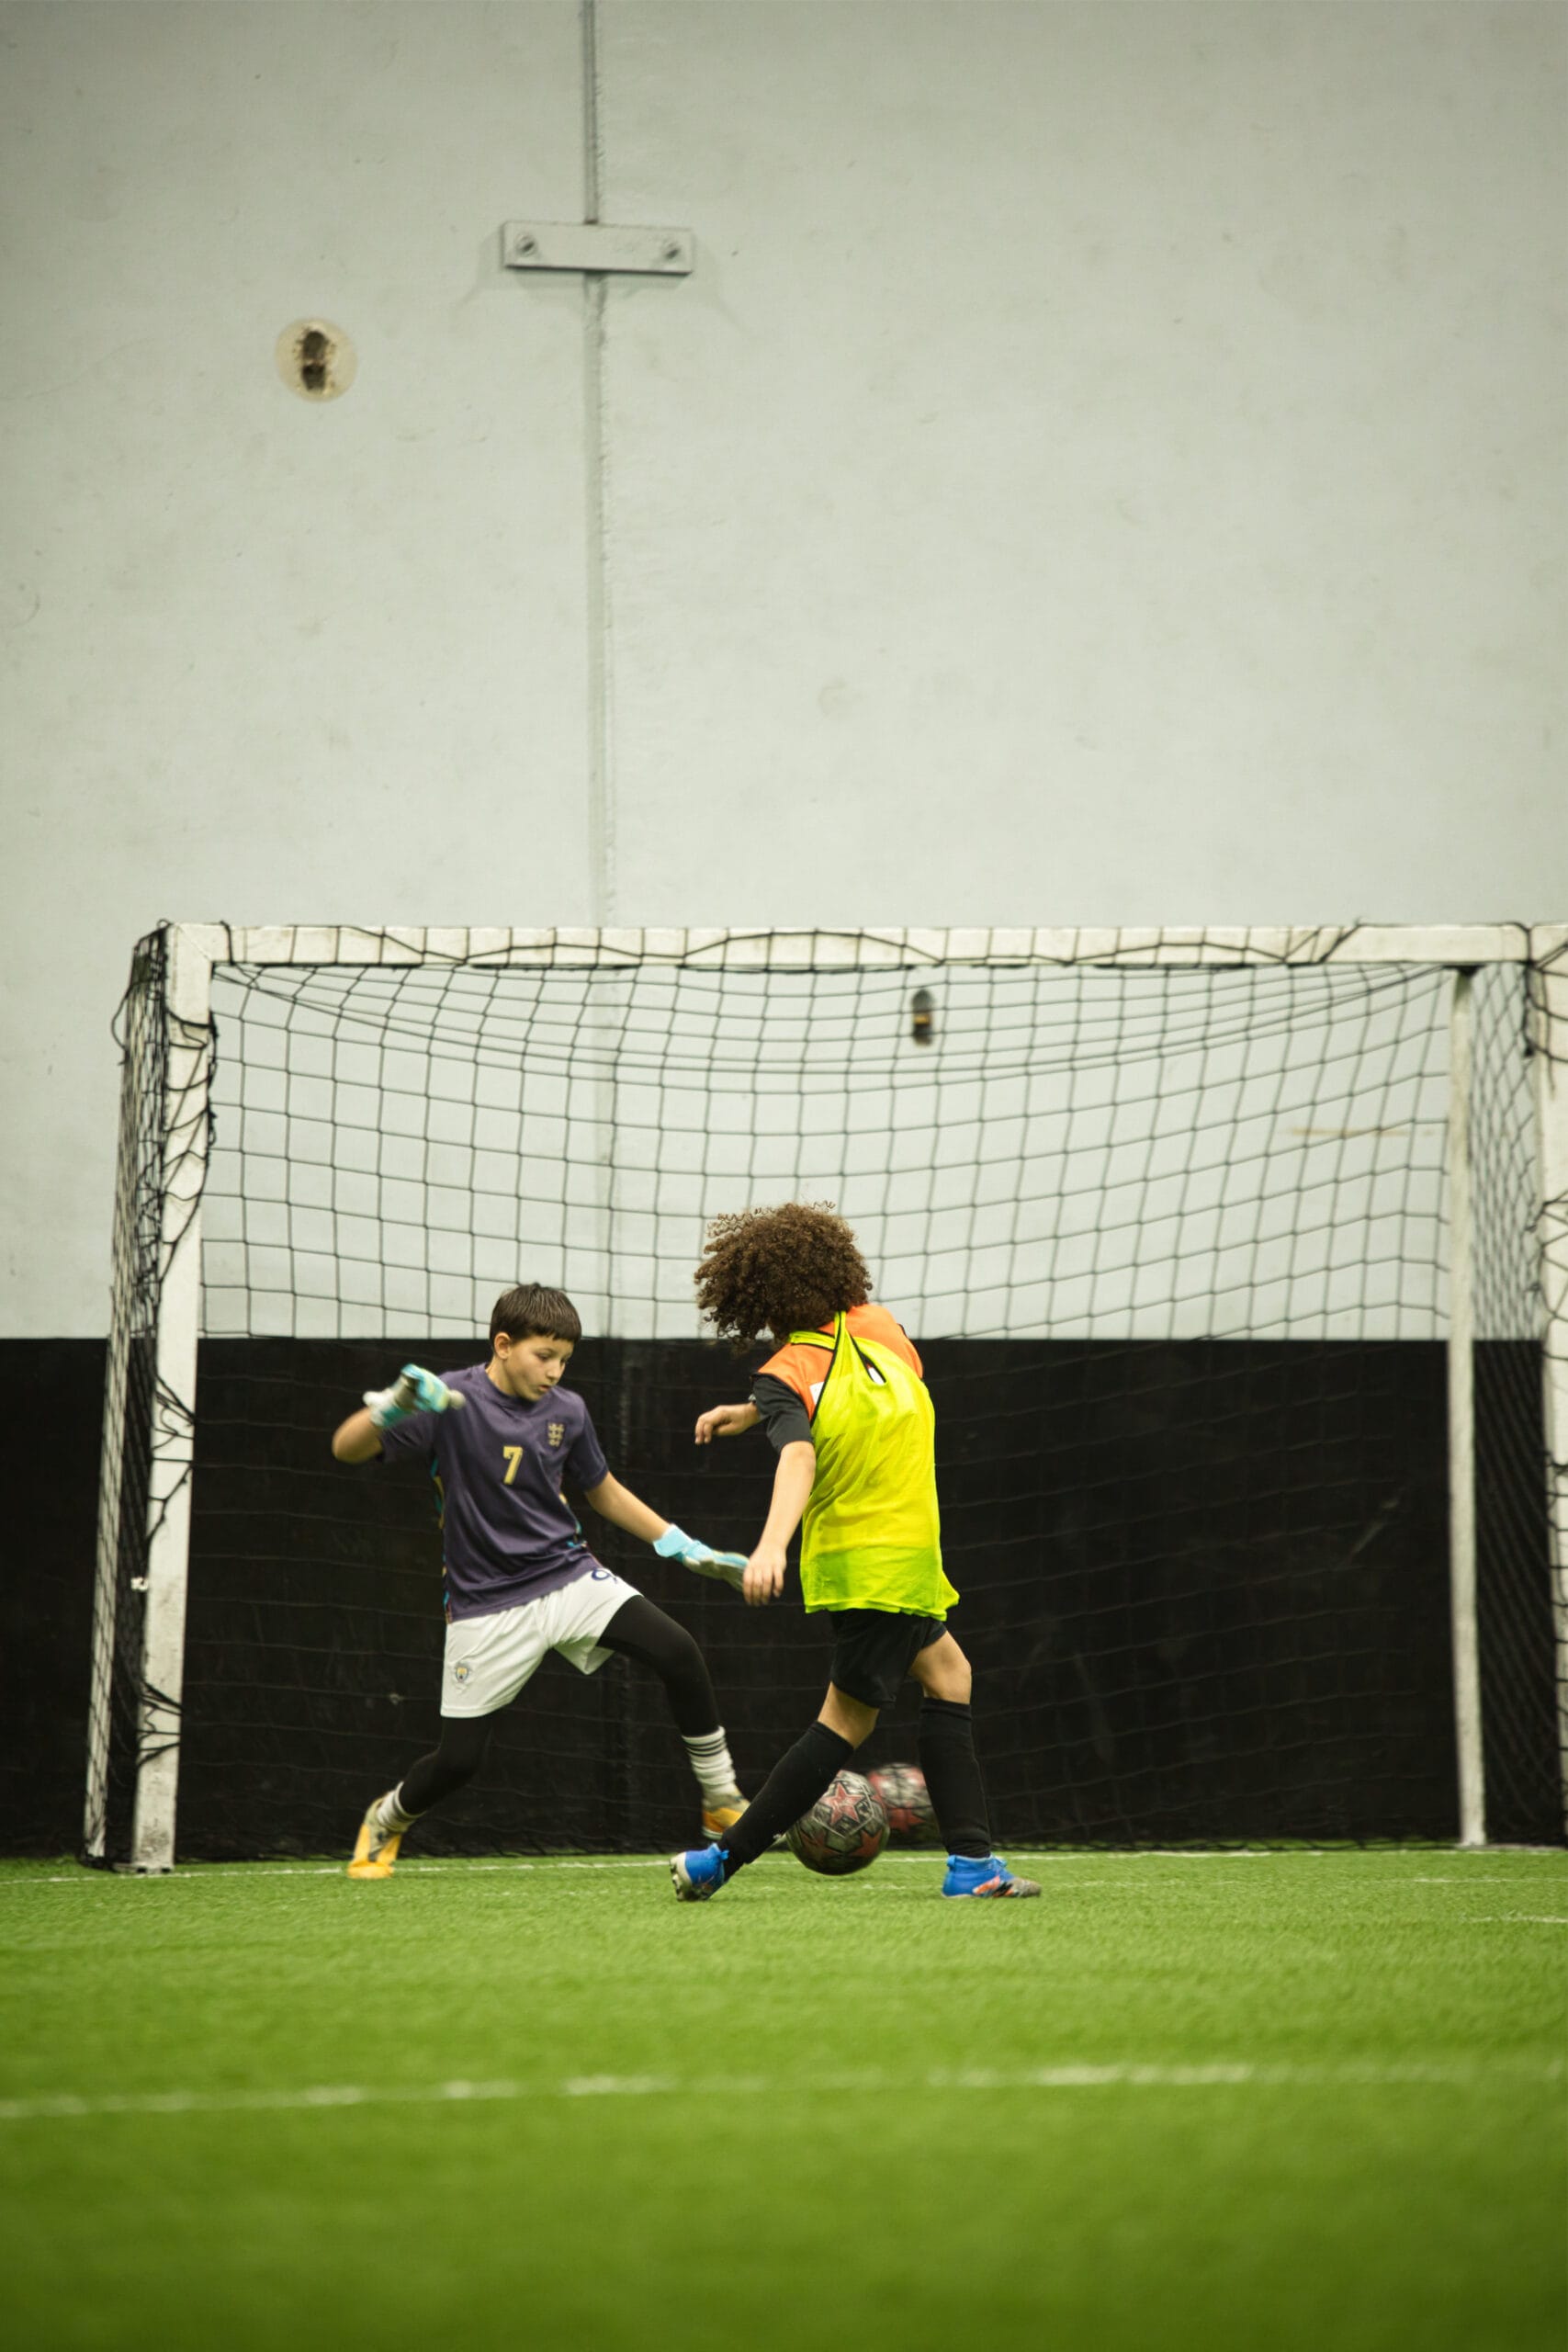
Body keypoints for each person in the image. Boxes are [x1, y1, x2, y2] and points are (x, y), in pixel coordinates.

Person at [669, 1204, 1039, 1902]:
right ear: (839, 1267)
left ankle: (970, 1862)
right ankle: (719, 1861)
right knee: (844, 1722)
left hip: (882, 1562)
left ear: (758, 1301)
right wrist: (770, 1539)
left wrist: (750, 1413)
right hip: (885, 1563)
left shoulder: (783, 1371)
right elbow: (810, 1439)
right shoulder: (884, 1328)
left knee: (949, 1674)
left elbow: (805, 1414)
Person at [332, 1282, 749, 1878]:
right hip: (485, 1605)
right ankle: (388, 1818)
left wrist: (682, 1547)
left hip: (568, 1575)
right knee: (458, 1762)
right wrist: (392, 1408)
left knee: (678, 1651)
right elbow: (345, 1449)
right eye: (543, 1356)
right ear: (503, 1345)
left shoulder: (568, 1411)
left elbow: (601, 1491)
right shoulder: (446, 1398)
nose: (554, 1372)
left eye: (564, 1361)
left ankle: (719, 1801)